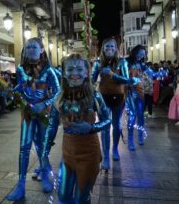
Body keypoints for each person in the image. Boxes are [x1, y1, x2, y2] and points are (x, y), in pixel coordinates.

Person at [6, 38, 60, 201]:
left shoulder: (49, 71)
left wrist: (44, 103)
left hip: (43, 113)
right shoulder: (21, 69)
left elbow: (57, 90)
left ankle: (44, 176)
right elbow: (22, 87)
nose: (30, 49)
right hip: (27, 113)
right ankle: (21, 185)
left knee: (42, 147)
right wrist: (10, 91)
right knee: (24, 147)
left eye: (33, 47)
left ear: (42, 50)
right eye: (27, 47)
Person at [57, 53, 110, 204]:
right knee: (63, 197)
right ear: (64, 73)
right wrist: (44, 155)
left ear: (87, 73)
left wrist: (92, 127)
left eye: (79, 69)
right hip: (67, 155)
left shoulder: (95, 96)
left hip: (89, 155)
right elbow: (51, 127)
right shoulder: (60, 97)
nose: (75, 74)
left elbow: (107, 120)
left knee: (81, 199)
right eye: (70, 69)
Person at [92, 37, 132, 170]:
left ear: (116, 49)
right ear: (103, 49)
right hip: (103, 98)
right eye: (107, 46)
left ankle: (115, 149)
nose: (109, 48)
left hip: (118, 97)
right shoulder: (98, 63)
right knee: (104, 126)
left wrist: (112, 75)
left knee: (117, 125)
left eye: (112, 46)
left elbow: (126, 80)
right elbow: (91, 80)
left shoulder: (122, 62)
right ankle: (106, 157)